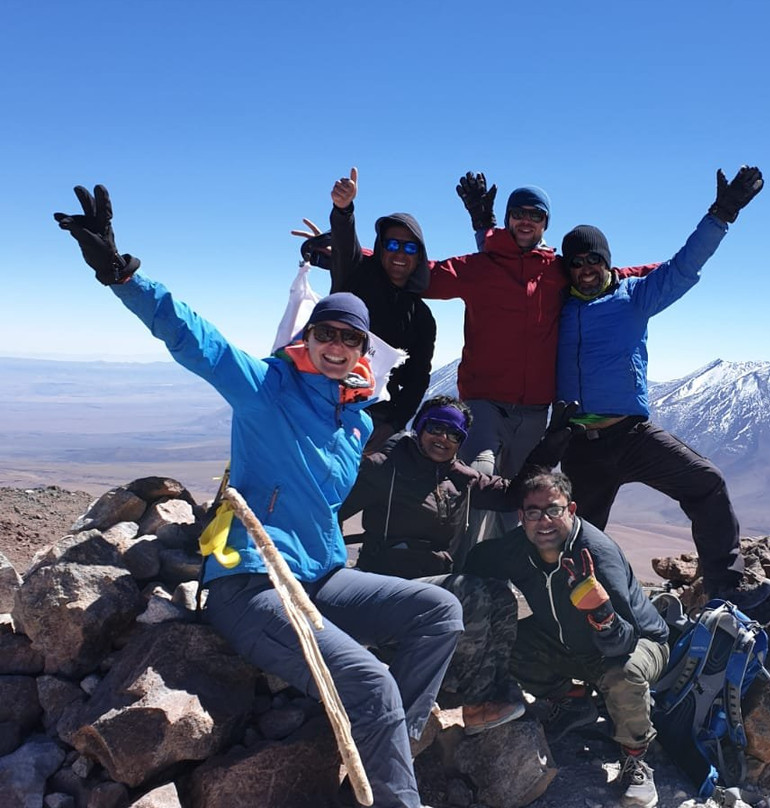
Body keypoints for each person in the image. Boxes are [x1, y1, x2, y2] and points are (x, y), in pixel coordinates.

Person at [54, 184, 462, 808]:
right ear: (309, 336)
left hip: (319, 577)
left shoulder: (354, 421)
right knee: (373, 681)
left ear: (363, 351)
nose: (337, 346)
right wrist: (122, 275)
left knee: (440, 613)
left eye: (350, 339)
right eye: (326, 333)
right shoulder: (267, 388)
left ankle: (392, 743)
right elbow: (198, 340)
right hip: (251, 586)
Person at [555, 165, 770, 611]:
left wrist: (721, 215)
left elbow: (683, 266)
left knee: (706, 483)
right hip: (579, 444)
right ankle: (567, 618)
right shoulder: (554, 306)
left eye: (593, 260)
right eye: (575, 263)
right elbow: (512, 278)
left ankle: (726, 588)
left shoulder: (635, 296)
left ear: (606, 261)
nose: (585, 269)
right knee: (576, 538)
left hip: (631, 435)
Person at [428, 173, 656, 533]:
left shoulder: (557, 271)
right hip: (484, 401)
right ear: (507, 219)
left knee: (521, 495)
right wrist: (349, 251)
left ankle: (509, 562)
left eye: (535, 215)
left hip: (535, 410)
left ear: (545, 223)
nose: (526, 221)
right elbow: (416, 274)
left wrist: (674, 270)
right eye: (518, 213)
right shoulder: (480, 266)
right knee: (479, 477)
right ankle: (463, 561)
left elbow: (612, 273)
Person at [339, 395, 576, 735]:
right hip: (386, 591)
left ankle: (494, 692)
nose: (443, 438)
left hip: (429, 591)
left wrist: (549, 447)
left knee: (501, 596)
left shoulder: (460, 478)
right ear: (420, 427)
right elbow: (331, 510)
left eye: (454, 434)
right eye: (436, 428)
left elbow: (512, 495)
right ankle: (475, 702)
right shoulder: (383, 467)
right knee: (471, 592)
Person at [465, 471, 669, 808]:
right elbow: (479, 559)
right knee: (507, 640)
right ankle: (573, 703)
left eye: (554, 510)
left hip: (636, 644)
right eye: (534, 512)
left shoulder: (596, 555)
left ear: (571, 510)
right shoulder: (517, 548)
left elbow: (625, 642)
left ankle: (636, 758)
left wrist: (601, 612)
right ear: (522, 516)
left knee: (624, 673)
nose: (544, 521)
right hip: (570, 642)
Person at [297, 167, 437, 454]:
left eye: (410, 248)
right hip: (320, 399)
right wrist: (344, 209)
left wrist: (392, 424)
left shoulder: (422, 318)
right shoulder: (356, 276)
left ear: (419, 257)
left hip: (373, 418)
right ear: (380, 248)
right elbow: (346, 245)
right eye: (392, 244)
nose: (400, 253)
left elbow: (418, 378)